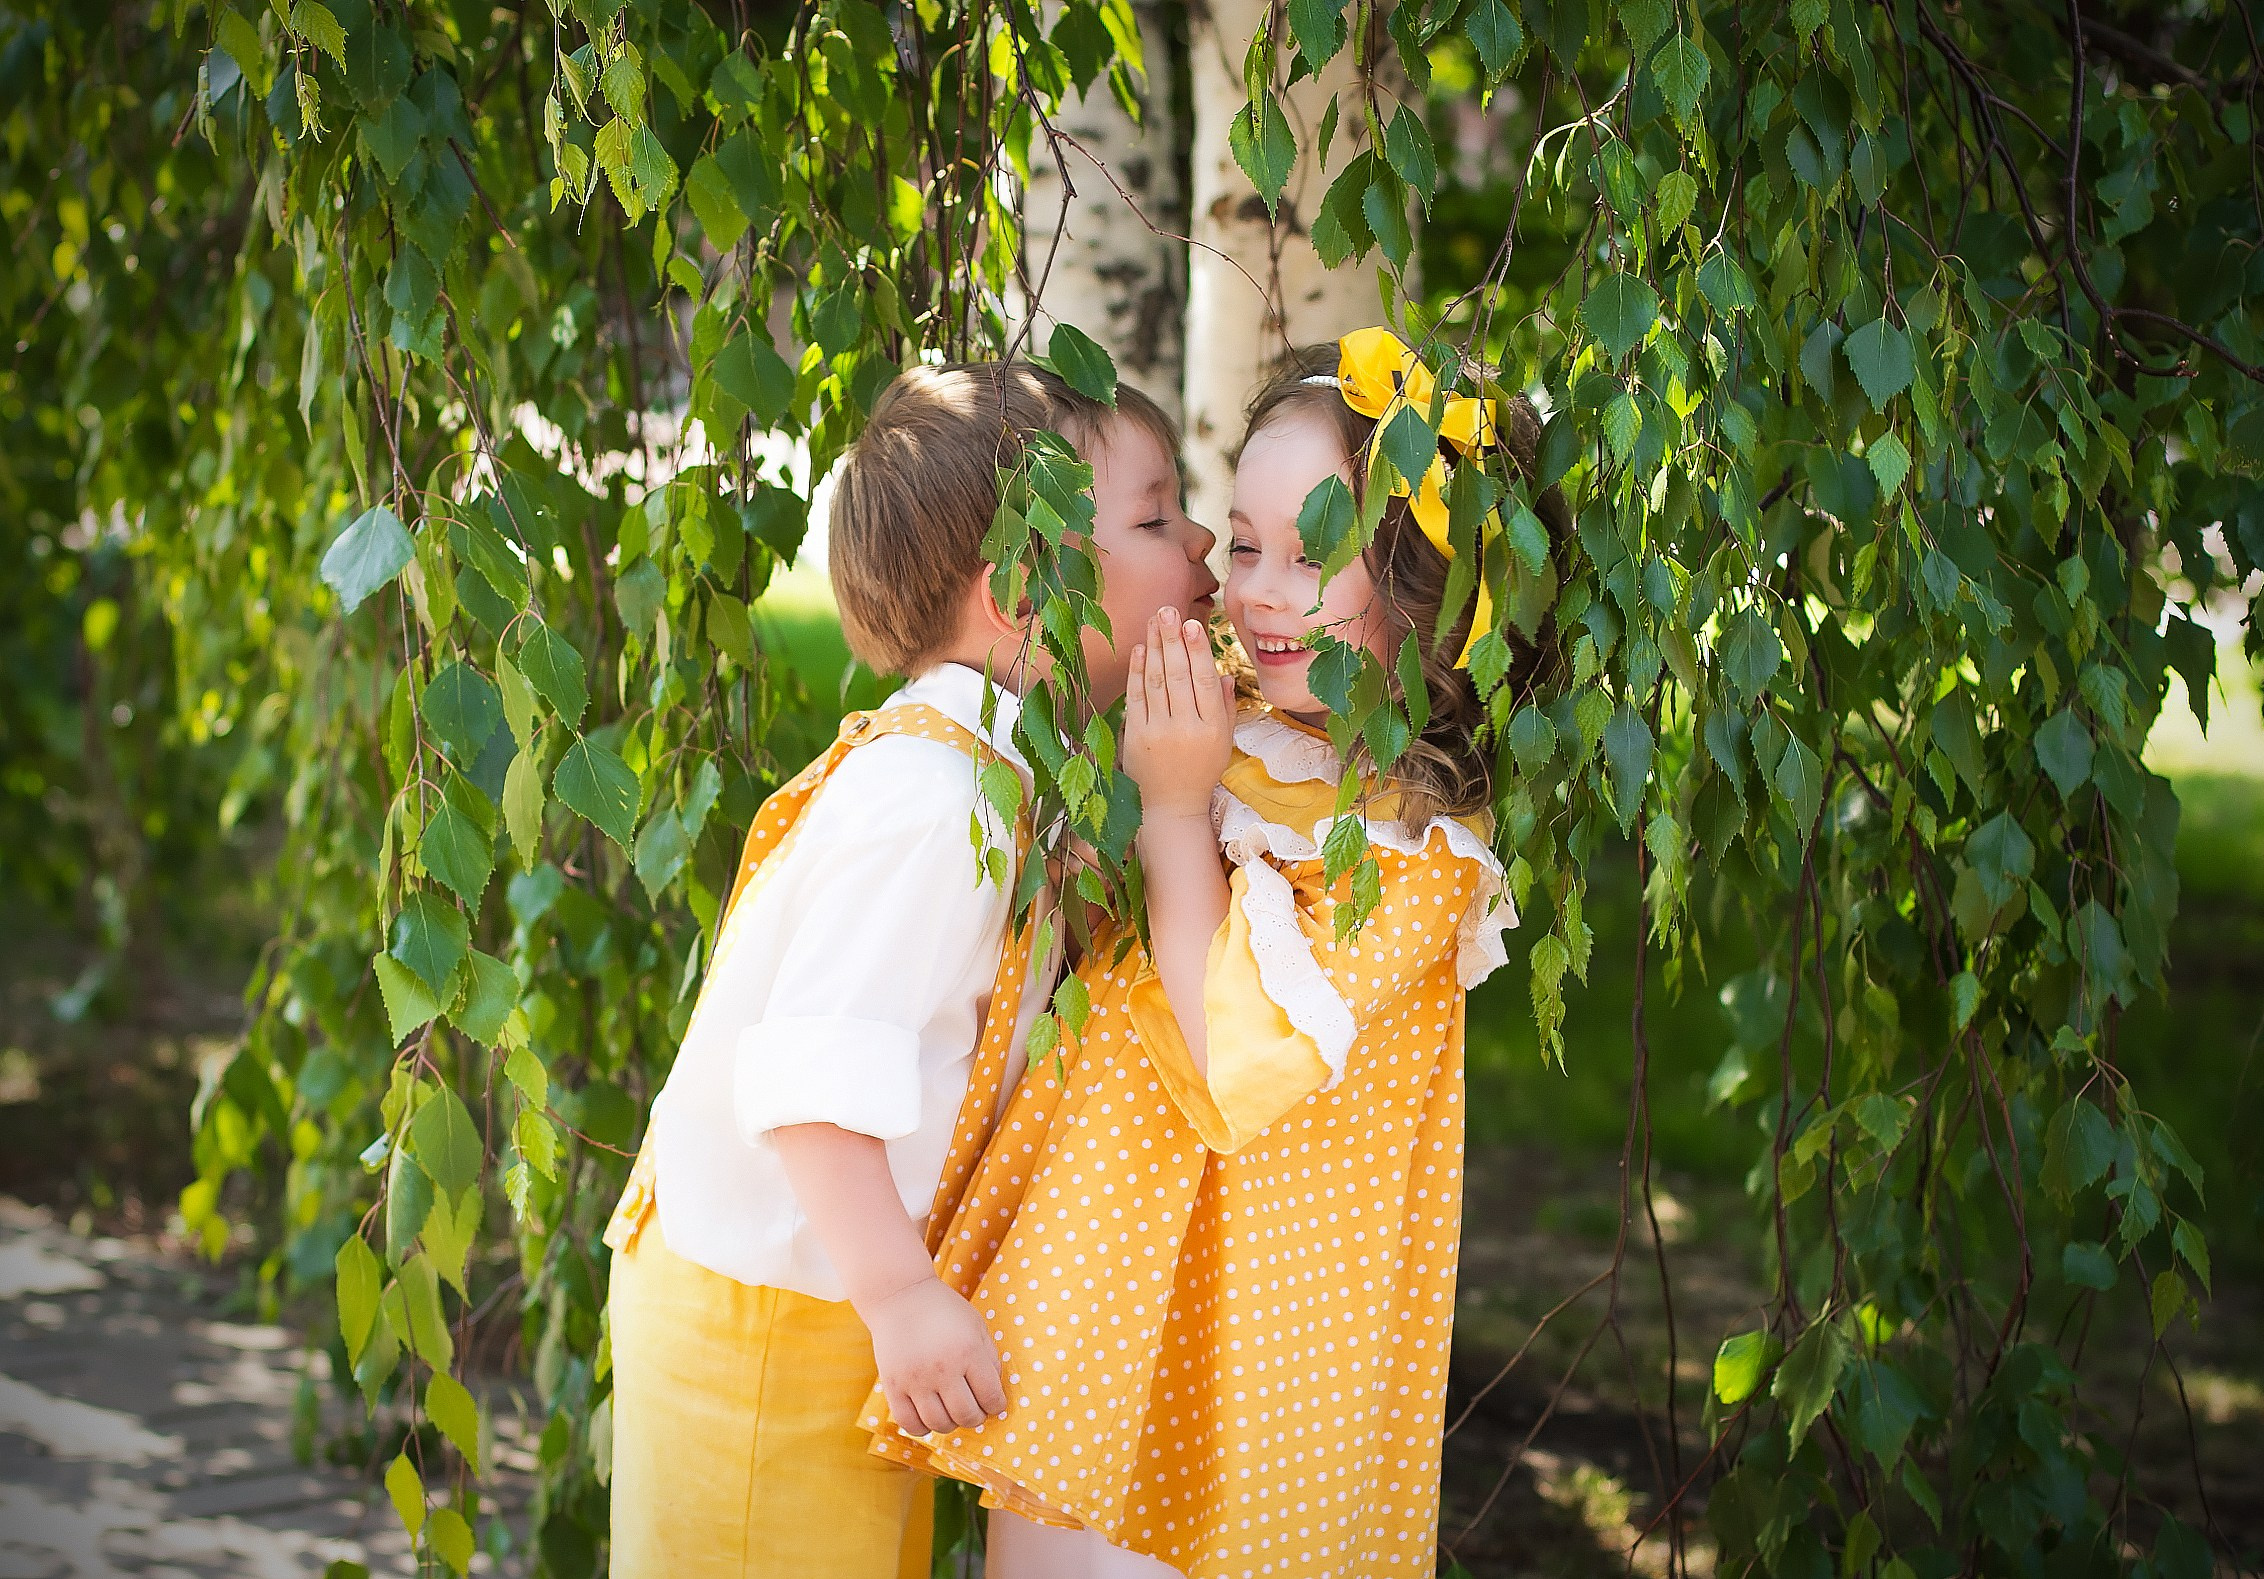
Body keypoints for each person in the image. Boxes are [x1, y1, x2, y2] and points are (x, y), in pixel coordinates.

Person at [871, 328, 1565, 1576]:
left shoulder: (1411, 856)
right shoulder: (1223, 720)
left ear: (1434, 592)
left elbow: (1234, 1056)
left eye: (1316, 554)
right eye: (1241, 545)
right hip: (1100, 1273)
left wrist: (1179, 812)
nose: (1255, 590)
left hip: (1259, 1338)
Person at [602, 359, 1217, 1579]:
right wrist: (902, 1299)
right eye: (1153, 518)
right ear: (1021, 596)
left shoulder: (989, 778)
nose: (1198, 538)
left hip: (826, 1291)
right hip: (771, 1314)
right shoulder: (933, 802)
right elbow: (805, 1084)